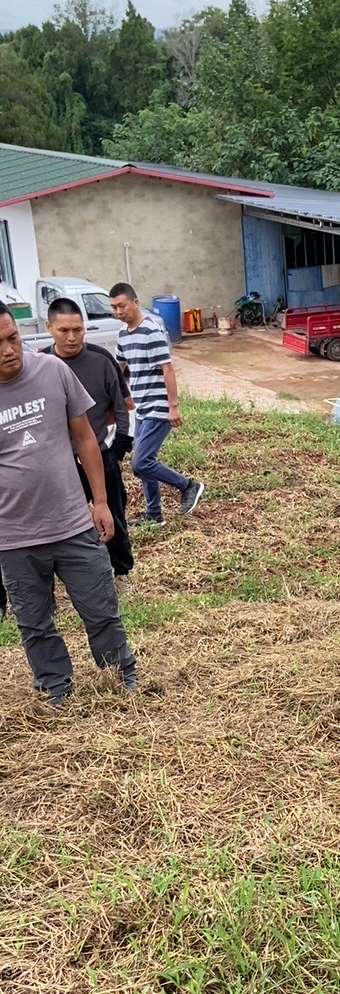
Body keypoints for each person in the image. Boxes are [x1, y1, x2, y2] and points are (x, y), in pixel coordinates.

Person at [0, 302, 137, 706]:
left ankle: (121, 675)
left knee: (101, 610)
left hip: (73, 522)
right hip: (14, 536)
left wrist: (99, 501)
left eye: (12, 338)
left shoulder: (52, 372)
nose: (9, 350)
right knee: (34, 622)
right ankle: (55, 687)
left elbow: (85, 438)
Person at [45, 297, 135, 586]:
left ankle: (122, 572)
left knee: (112, 515)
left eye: (78, 329)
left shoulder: (100, 359)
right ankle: (73, 579)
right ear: (49, 328)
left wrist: (120, 446)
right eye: (64, 331)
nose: (72, 337)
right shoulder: (40, 364)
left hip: (99, 453)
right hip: (60, 461)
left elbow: (122, 405)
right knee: (63, 523)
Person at [108, 282, 204, 526]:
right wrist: (111, 397)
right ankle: (154, 514)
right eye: (114, 307)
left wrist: (173, 406)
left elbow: (167, 369)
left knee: (141, 462)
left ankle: (189, 486)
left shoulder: (151, 329)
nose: (118, 312)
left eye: (122, 306)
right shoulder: (122, 335)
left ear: (136, 303)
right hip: (141, 408)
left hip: (158, 406)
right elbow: (119, 370)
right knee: (142, 463)